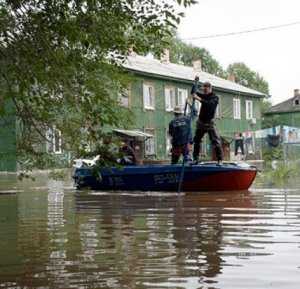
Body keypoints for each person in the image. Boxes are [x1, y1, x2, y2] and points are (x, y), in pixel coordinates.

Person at [192, 81, 223, 165]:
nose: (204, 91)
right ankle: (195, 159)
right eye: (203, 90)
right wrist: (194, 85)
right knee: (197, 140)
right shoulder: (204, 95)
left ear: (210, 88)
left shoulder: (215, 98)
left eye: (205, 90)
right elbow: (194, 92)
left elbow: (209, 105)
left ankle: (220, 160)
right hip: (201, 122)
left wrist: (198, 98)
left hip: (210, 123)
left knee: (215, 141)